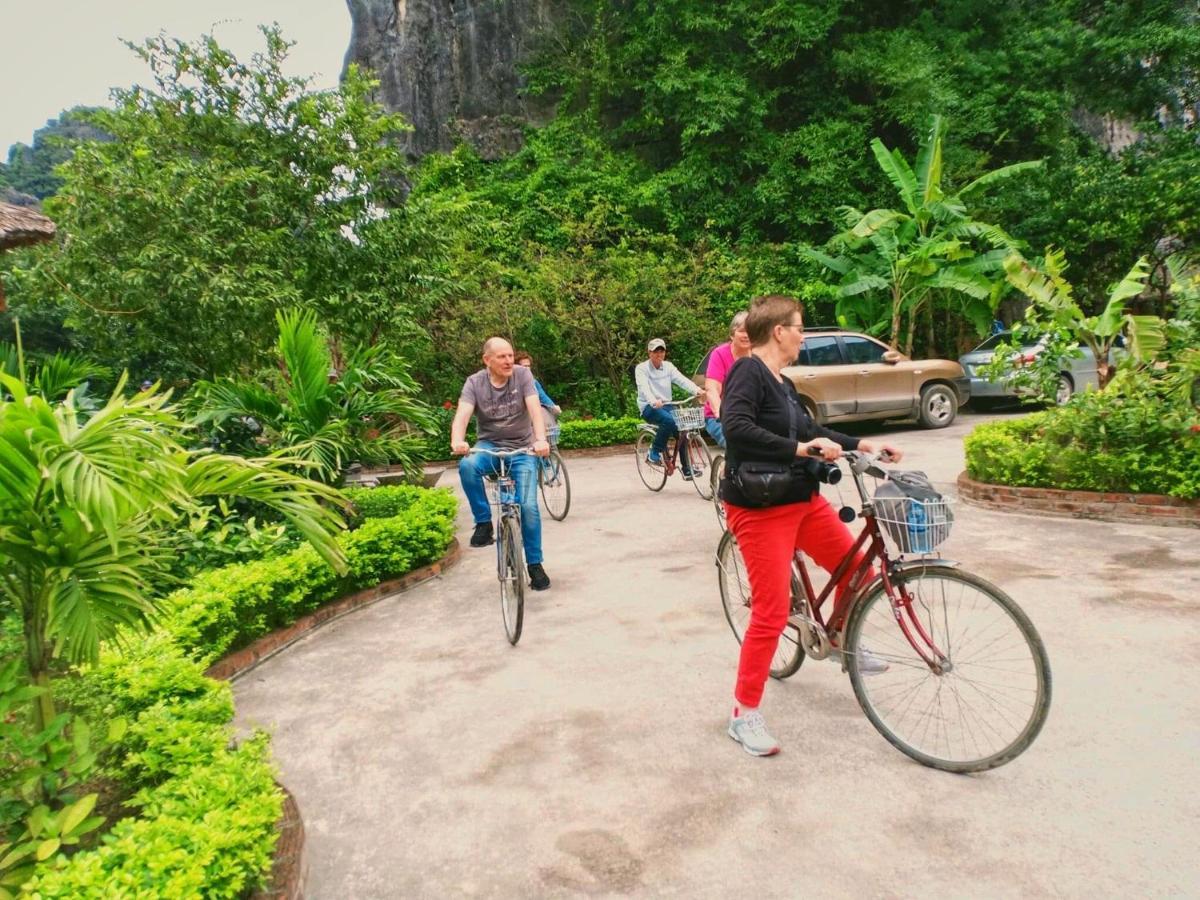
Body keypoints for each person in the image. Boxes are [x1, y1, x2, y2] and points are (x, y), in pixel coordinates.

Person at [720, 296, 903, 757]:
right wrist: (802, 451)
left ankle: (841, 638)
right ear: (778, 331)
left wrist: (864, 444)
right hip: (760, 507)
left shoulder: (782, 382)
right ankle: (743, 714)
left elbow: (810, 430)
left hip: (802, 500)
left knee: (857, 566)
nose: (803, 335)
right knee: (771, 609)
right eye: (799, 328)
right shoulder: (748, 371)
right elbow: (735, 427)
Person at [450, 337, 553, 591]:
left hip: (524, 449)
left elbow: (534, 410)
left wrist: (540, 440)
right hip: (490, 447)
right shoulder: (474, 383)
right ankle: (484, 522)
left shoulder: (523, 376)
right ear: (487, 360)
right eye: (502, 357)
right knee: (468, 466)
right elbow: (462, 414)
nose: (509, 361)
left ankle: (535, 565)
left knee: (528, 506)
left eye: (511, 355)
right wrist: (458, 441)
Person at [635, 337, 704, 478]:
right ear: (649, 353)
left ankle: (687, 468)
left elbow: (682, 380)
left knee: (683, 429)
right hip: (649, 407)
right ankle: (653, 452)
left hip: (667, 405)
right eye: (655, 351)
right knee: (669, 421)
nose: (659, 354)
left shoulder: (668, 367)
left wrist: (697, 390)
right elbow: (644, 388)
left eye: (662, 351)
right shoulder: (642, 369)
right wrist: (653, 401)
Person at [702, 311, 751, 448]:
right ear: (732, 334)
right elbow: (712, 389)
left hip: (749, 416)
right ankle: (728, 468)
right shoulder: (720, 354)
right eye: (742, 331)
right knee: (738, 447)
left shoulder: (758, 355)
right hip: (719, 417)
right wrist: (720, 412)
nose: (747, 335)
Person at [514, 350, 562, 441]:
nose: (527, 369)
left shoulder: (533, 382)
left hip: (536, 420)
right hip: (519, 424)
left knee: (550, 447)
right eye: (524, 366)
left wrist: (553, 407)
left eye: (528, 366)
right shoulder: (510, 383)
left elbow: (543, 397)